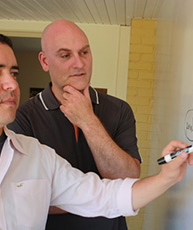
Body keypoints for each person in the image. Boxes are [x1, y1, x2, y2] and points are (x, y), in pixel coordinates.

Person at [0, 28, 193, 230]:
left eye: (13, 73)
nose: (12, 84)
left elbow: (107, 197)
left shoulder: (36, 156)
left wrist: (167, 177)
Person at [8, 19, 140, 229]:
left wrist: (88, 121)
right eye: (65, 55)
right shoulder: (22, 117)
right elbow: (25, 195)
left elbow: (128, 181)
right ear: (44, 61)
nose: (79, 64)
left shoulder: (120, 110)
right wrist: (102, 193)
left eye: (84, 52)